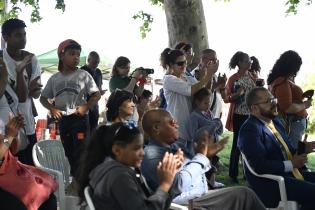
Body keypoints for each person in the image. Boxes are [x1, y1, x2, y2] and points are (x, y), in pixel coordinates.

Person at [141, 109, 266, 210]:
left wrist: (205, 152)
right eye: (171, 123)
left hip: (200, 196)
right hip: (185, 203)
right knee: (244, 196)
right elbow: (177, 185)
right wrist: (201, 157)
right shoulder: (152, 155)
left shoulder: (177, 145)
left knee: (244, 194)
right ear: (156, 128)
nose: (177, 125)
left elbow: (198, 150)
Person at [238, 87, 315, 210]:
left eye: (273, 98)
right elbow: (259, 165)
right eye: (268, 101)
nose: (274, 103)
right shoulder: (250, 129)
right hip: (271, 184)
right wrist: (291, 164)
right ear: (254, 108)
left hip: (289, 175)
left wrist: (304, 148)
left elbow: (288, 150)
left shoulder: (276, 122)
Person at [77, 123, 178, 210]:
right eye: (136, 148)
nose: (143, 153)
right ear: (117, 150)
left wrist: (168, 180)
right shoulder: (119, 176)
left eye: (143, 147)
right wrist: (165, 185)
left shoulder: (110, 170)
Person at [40, 39, 101, 177]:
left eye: (78, 55)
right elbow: (43, 98)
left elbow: (96, 94)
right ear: (62, 56)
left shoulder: (83, 75)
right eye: (72, 54)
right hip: (63, 120)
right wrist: (52, 108)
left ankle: (82, 181)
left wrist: (86, 106)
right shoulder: (54, 78)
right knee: (68, 151)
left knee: (81, 151)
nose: (76, 57)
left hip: (79, 120)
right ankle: (75, 179)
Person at [1, 18, 43, 165]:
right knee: (8, 170)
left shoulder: (31, 59)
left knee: (29, 170)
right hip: (6, 127)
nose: (23, 38)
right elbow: (23, 95)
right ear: (5, 37)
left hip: (27, 125)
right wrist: (21, 77)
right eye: (18, 35)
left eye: (24, 34)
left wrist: (30, 89)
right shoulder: (1, 60)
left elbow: (35, 94)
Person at [0, 113, 57, 210]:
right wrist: (9, 137)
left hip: (10, 169)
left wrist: (14, 133)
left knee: (49, 198)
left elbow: (14, 150)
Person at [161, 48, 214, 138]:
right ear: (171, 65)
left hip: (191, 123)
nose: (184, 65)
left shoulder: (187, 77)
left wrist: (207, 73)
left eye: (185, 62)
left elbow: (202, 90)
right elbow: (190, 91)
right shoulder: (168, 79)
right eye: (180, 63)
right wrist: (207, 75)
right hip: (178, 125)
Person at [267, 50, 313, 149]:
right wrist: (305, 105)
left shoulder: (279, 79)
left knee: (290, 150)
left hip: (292, 121)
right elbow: (288, 108)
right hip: (294, 122)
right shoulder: (282, 82)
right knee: (292, 151)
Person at [223, 51, 256, 183]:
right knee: (237, 145)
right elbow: (226, 98)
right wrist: (237, 94)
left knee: (250, 145)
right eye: (247, 60)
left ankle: (248, 174)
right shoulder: (233, 79)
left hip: (252, 115)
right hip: (239, 115)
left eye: (250, 61)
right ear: (240, 63)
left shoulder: (252, 76)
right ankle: (233, 174)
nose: (250, 63)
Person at [192, 49, 227, 118]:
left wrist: (223, 85)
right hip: (202, 118)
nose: (215, 62)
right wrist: (216, 83)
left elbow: (224, 97)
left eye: (216, 60)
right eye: (212, 60)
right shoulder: (196, 74)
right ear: (203, 59)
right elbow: (203, 95)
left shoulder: (214, 75)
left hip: (215, 116)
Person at [81, 51, 106, 134]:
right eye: (95, 62)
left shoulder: (99, 72)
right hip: (84, 105)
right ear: (88, 60)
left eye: (98, 62)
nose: (97, 64)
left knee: (93, 128)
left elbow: (99, 88)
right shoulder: (82, 71)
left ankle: (91, 145)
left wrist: (101, 92)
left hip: (95, 106)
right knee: (84, 130)